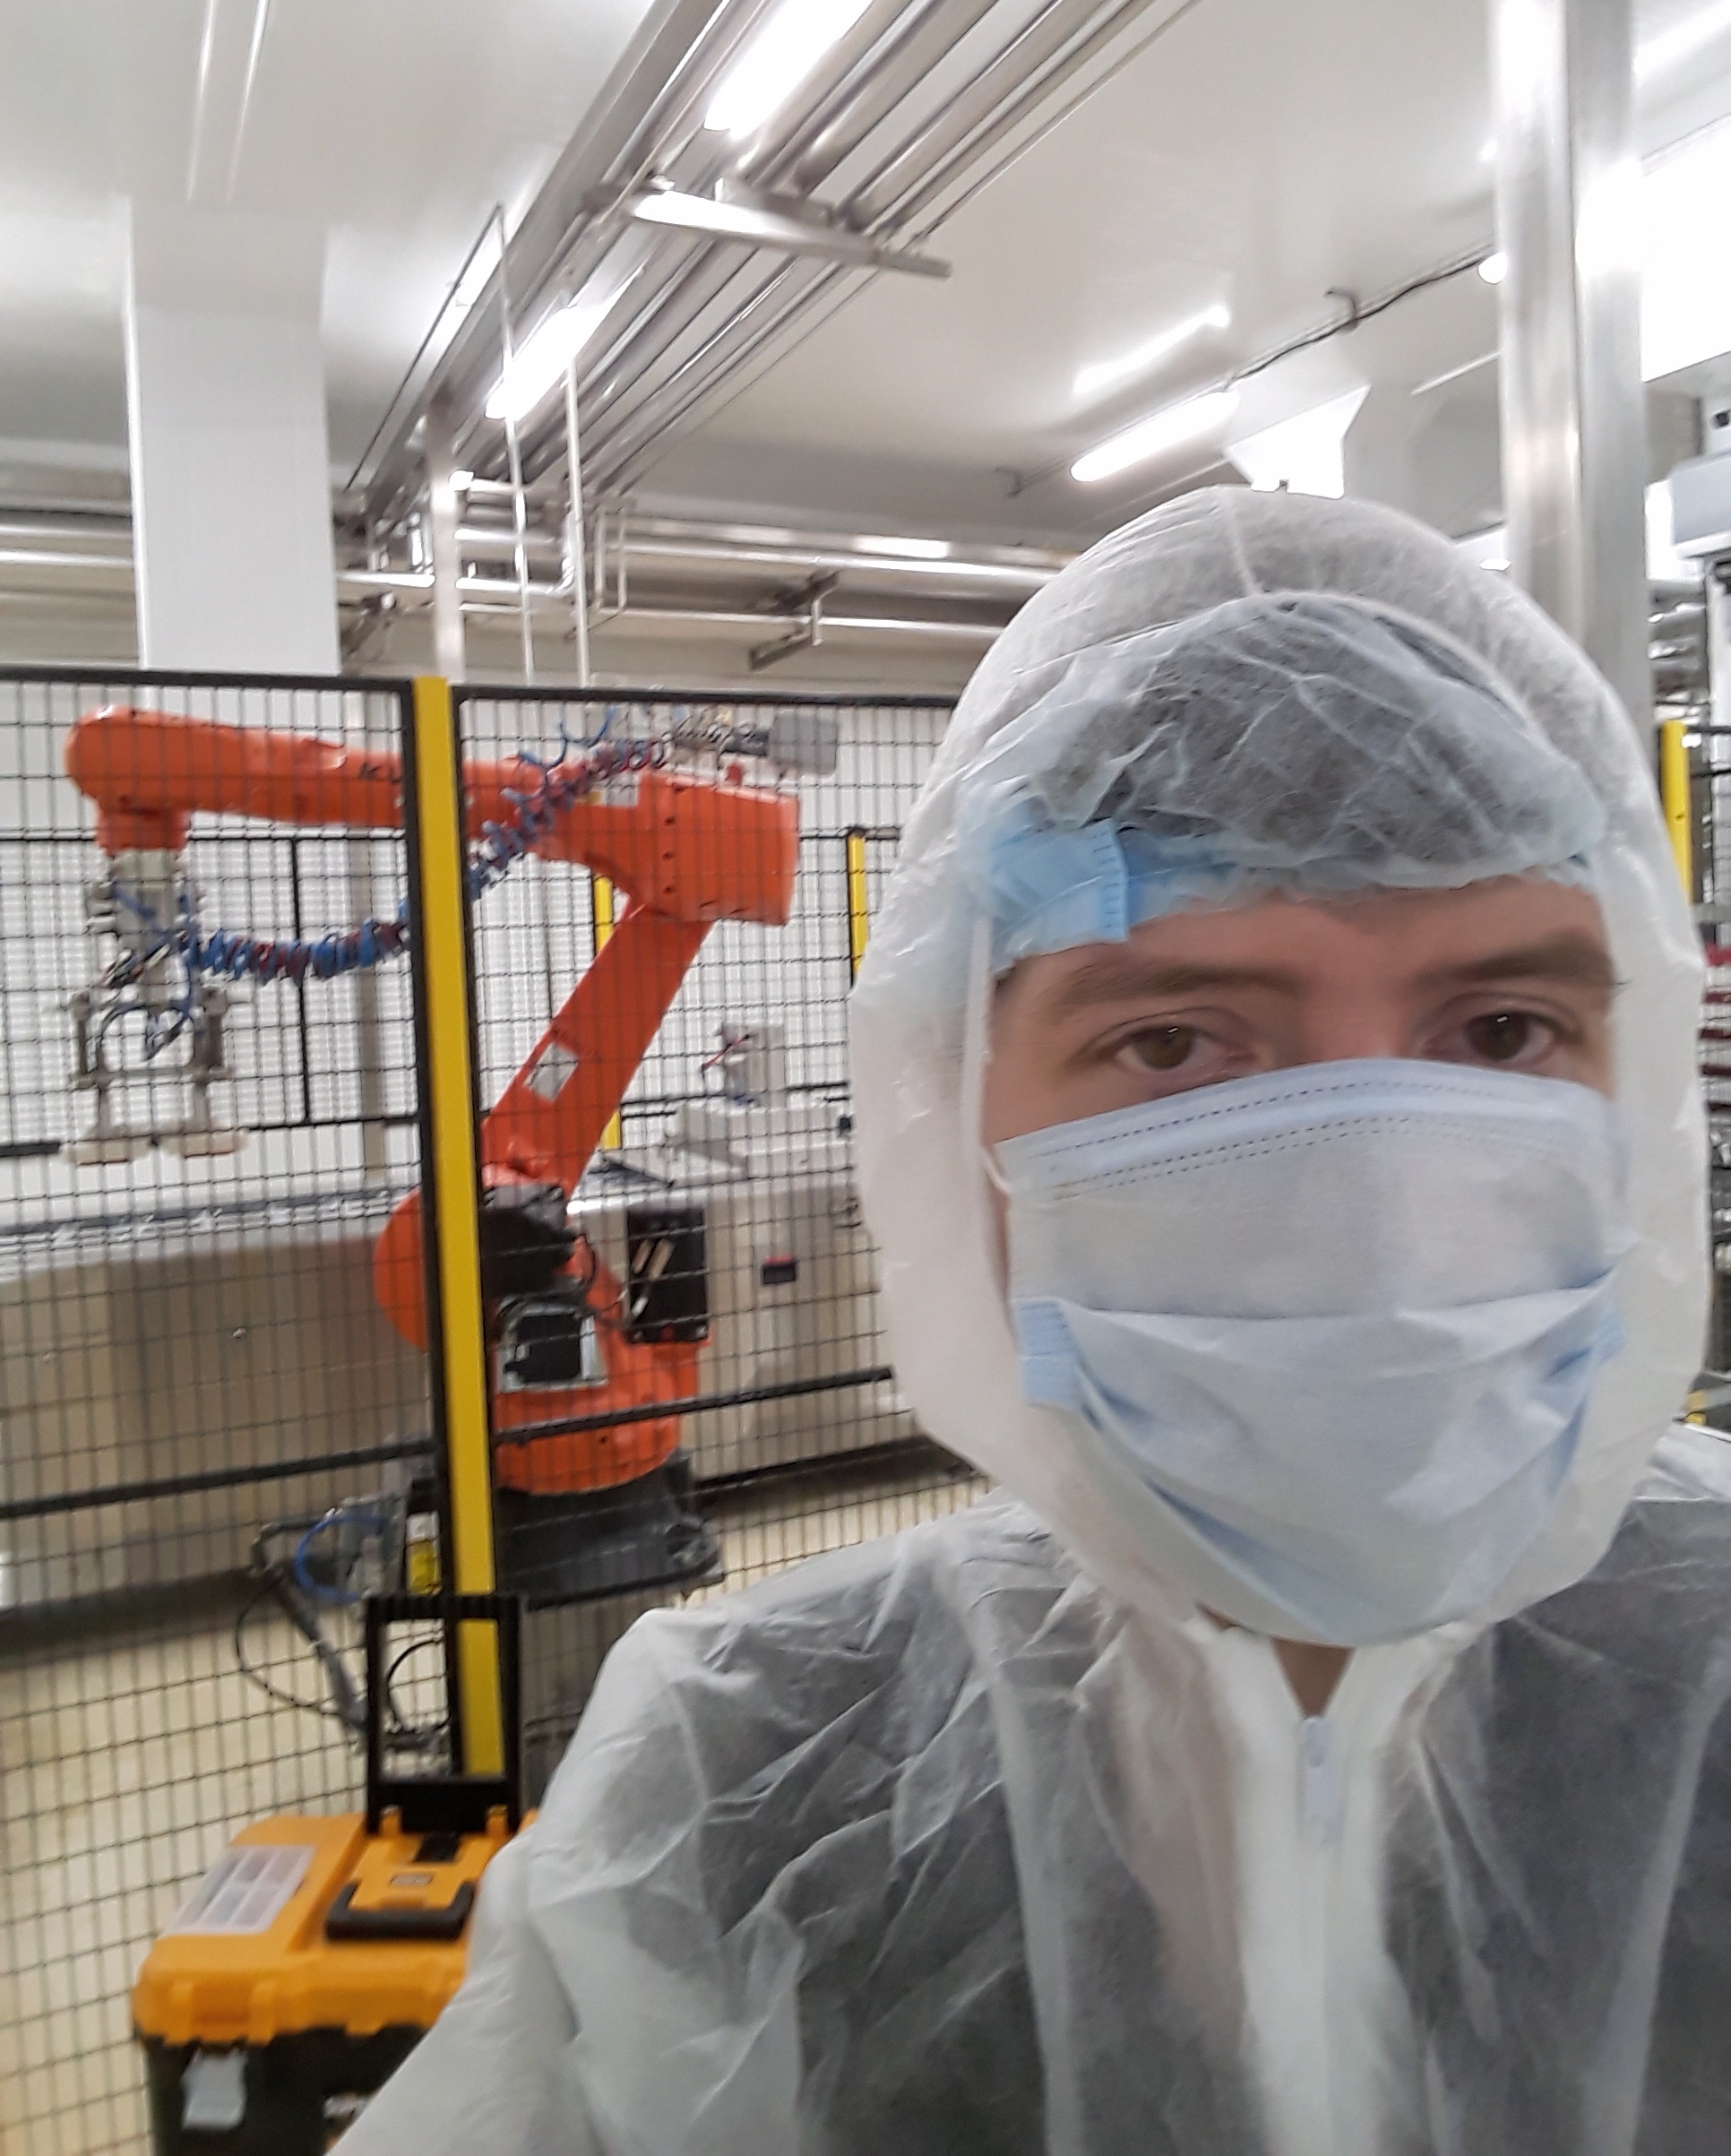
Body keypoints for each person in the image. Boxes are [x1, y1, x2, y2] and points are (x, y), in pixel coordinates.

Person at [346, 489, 1730, 2156]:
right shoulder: (742, 1777)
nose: (1378, 1204)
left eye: (1503, 1030)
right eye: (1175, 1043)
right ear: (958, 1122)